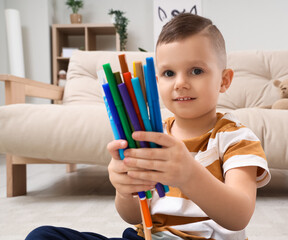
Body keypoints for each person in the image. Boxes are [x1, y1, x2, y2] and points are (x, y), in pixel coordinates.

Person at [26, 13, 270, 240]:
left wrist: (189, 175)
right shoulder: (153, 133)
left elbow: (239, 216)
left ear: (224, 80)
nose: (181, 83)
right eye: (168, 73)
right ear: (156, 81)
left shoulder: (237, 139)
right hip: (145, 236)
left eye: (196, 71)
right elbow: (132, 216)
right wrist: (124, 189)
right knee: (42, 236)